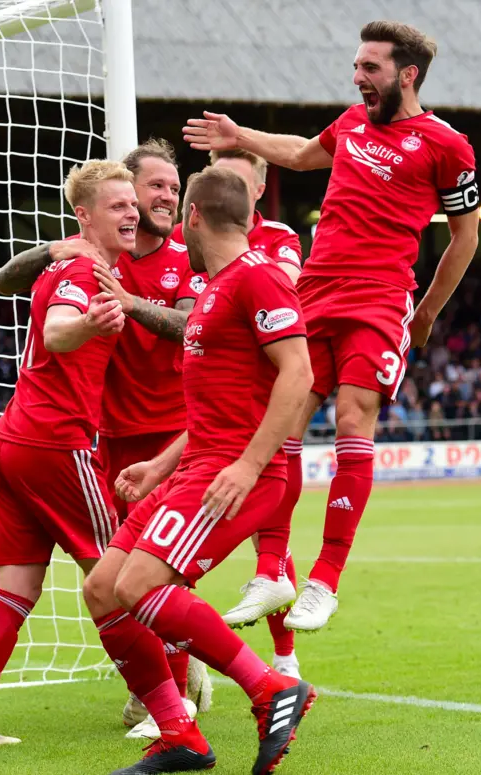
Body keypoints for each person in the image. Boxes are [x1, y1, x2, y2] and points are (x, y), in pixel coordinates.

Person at [184, 20, 479, 631]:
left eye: (369, 68)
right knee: (281, 417)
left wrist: (424, 313)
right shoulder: (350, 123)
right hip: (315, 290)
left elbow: (466, 237)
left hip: (379, 296)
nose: (357, 77)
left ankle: (325, 580)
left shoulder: (447, 146)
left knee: (352, 416)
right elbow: (296, 152)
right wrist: (239, 136)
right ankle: (272, 570)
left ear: (407, 75)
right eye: (356, 66)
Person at [83, 166, 315, 775]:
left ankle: (270, 689)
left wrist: (248, 464)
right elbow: (218, 404)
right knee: (103, 589)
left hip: (236, 476)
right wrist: (159, 465)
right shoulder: (214, 288)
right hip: (196, 468)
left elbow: (300, 374)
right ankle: (179, 731)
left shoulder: (259, 279)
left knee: (138, 588)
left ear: (191, 216)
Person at [0, 139, 212, 733]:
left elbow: (195, 324)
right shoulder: (91, 256)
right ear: (126, 194)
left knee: (154, 567)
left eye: (174, 186)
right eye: (157, 186)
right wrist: (53, 249)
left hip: (170, 434)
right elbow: (5, 282)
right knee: (123, 569)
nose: (168, 197)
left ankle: (171, 694)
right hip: (106, 438)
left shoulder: (186, 257)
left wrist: (129, 304)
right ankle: (166, 686)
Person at [0, 160, 137, 751]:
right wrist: (91, 323)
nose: (130, 212)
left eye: (134, 203)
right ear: (84, 217)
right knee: (122, 576)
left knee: (15, 589)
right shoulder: (82, 267)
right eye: (117, 205)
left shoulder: (67, 262)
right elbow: (57, 331)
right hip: (54, 443)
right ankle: (168, 707)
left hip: (12, 442)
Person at [174, 149, 305, 677]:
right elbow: (186, 315)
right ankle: (194, 679)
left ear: (254, 191)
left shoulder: (274, 248)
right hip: (199, 414)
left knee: (156, 569)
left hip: (249, 419)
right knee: (154, 566)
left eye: (239, 175)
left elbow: (284, 323)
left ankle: (281, 665)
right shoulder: (199, 256)